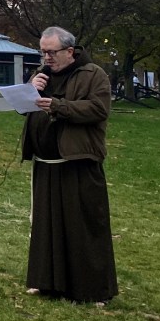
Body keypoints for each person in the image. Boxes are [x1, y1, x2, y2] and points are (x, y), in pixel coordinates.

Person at [22, 26, 117, 304]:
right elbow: (27, 108)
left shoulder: (93, 75)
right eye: (43, 52)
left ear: (70, 51)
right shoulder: (41, 75)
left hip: (77, 163)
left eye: (51, 52)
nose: (47, 58)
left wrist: (59, 107)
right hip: (46, 163)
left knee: (82, 227)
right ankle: (47, 282)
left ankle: (90, 290)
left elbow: (99, 110)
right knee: (46, 226)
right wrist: (30, 91)